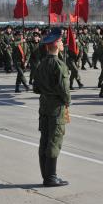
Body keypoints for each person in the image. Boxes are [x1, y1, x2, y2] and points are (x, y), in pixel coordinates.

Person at [33, 28, 70, 187]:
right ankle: (50, 177)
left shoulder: (41, 64)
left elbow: (36, 88)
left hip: (44, 107)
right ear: (56, 44)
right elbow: (64, 90)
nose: (62, 44)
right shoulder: (59, 65)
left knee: (45, 141)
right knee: (54, 141)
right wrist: (66, 101)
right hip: (56, 109)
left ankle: (47, 176)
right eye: (61, 41)